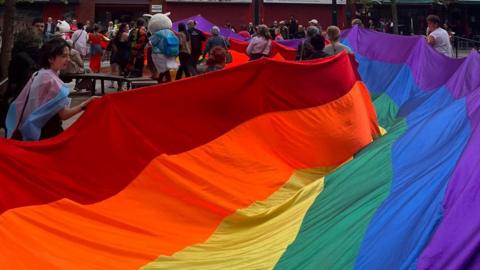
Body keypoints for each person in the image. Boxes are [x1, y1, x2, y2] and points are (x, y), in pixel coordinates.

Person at [5, 38, 98, 141]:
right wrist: (85, 104)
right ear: (50, 59)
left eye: (68, 55)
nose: (68, 59)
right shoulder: (52, 81)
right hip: (47, 133)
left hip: (35, 130)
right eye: (63, 56)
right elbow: (64, 114)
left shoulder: (40, 73)